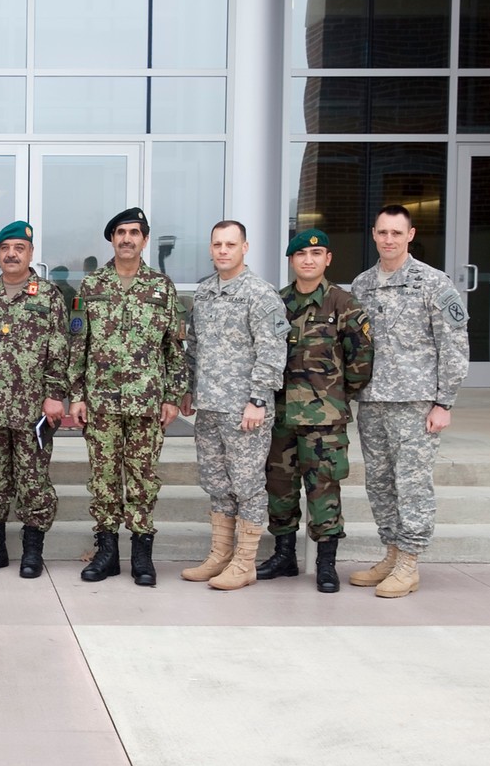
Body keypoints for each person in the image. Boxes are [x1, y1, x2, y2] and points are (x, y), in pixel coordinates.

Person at [348, 204, 469, 597]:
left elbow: (454, 345)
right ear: (373, 234)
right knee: (380, 484)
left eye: (396, 233)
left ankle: (410, 563)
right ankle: (391, 552)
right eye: (382, 232)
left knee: (413, 484)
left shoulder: (434, 284)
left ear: (410, 235)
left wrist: (444, 403)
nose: (389, 240)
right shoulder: (362, 285)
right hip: (373, 402)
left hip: (417, 404)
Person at [69, 208, 187, 586]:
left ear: (145, 240)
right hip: (100, 401)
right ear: (111, 239)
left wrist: (173, 395)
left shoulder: (161, 287)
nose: (127, 238)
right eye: (120, 232)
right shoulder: (92, 286)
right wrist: (76, 395)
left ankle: (141, 556)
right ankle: (106, 553)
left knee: (142, 478)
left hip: (147, 402)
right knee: (103, 478)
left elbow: (174, 347)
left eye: (134, 232)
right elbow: (78, 346)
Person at [256, 229, 373, 593]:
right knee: (280, 488)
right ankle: (285, 555)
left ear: (328, 259)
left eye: (317, 253)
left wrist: (336, 395)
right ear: (291, 261)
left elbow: (361, 360)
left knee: (324, 490)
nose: (308, 260)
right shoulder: (277, 303)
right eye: (301, 255)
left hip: (325, 420)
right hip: (280, 417)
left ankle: (325, 564)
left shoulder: (344, 304)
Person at [180, 220, 289, 591]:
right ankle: (220, 555)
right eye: (217, 244)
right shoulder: (206, 291)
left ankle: (245, 562)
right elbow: (194, 345)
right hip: (210, 405)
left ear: (245, 247)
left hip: (246, 408)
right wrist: (190, 388)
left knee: (247, 484)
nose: (223, 250)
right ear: (210, 249)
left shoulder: (261, 294)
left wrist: (258, 398)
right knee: (216, 481)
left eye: (230, 244)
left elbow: (273, 351)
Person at [0, 221, 68, 578]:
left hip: (33, 408)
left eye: (19, 248)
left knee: (33, 480)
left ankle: (32, 550)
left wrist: (55, 396)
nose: (11, 254)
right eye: (5, 248)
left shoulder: (48, 296)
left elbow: (59, 350)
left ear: (31, 253)